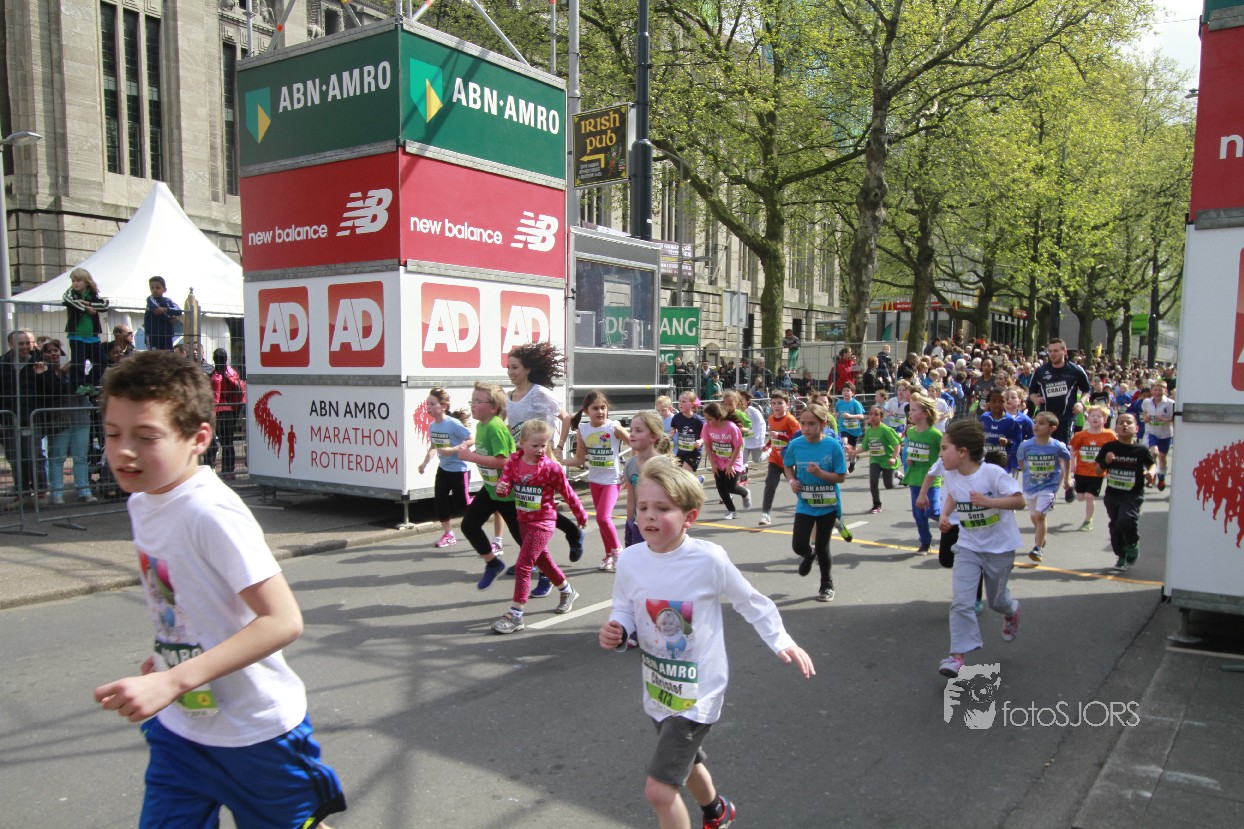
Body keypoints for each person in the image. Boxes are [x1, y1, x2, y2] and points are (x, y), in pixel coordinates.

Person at [92, 351, 345, 827]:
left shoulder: (211, 513)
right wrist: (169, 657)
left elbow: (282, 620)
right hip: (181, 732)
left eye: (146, 436)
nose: (123, 451)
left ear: (199, 438)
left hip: (257, 737)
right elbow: (187, 601)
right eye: (112, 433)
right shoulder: (144, 500)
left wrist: (173, 679)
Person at [598, 457, 815, 829]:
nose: (648, 516)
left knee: (659, 790)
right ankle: (716, 811)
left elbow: (750, 601)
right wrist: (617, 628)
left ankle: (712, 811)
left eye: (662, 508)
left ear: (690, 517)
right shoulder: (631, 559)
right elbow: (625, 606)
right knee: (687, 761)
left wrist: (781, 640)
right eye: (643, 507)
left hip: (698, 692)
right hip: (659, 685)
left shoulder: (708, 559)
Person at [936, 419, 1026, 679]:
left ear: (963, 452)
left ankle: (1012, 610)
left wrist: (988, 501)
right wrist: (945, 514)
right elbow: (953, 495)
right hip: (968, 546)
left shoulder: (992, 473)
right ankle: (957, 657)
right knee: (961, 602)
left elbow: (1019, 501)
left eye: (944, 448)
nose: (940, 454)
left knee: (997, 601)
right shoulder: (951, 474)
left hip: (1000, 548)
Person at [490, 420, 586, 633]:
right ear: (522, 443)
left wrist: (580, 513)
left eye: (544, 445)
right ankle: (567, 590)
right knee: (543, 561)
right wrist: (501, 488)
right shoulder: (514, 462)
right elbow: (504, 489)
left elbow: (567, 492)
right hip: (523, 520)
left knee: (524, 565)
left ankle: (516, 614)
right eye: (534, 445)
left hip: (543, 522)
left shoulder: (551, 468)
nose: (540, 450)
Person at [508, 343, 585, 563]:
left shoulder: (539, 393)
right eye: (508, 367)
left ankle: (536, 560)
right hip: (521, 461)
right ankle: (569, 534)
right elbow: (510, 428)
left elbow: (567, 418)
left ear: (527, 369)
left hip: (542, 459)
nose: (510, 372)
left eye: (515, 367)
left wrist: (559, 447)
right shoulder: (510, 396)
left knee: (538, 510)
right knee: (529, 509)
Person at [456, 383, 523, 589]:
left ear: (493, 408)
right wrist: (470, 449)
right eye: (472, 400)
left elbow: (504, 461)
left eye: (478, 401)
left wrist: (471, 457)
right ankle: (493, 563)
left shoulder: (495, 426)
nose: (473, 405)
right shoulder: (481, 426)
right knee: (469, 525)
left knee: (522, 538)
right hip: (491, 488)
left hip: (507, 491)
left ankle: (549, 576)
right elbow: (487, 451)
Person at [784, 402, 848, 601]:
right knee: (798, 545)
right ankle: (809, 554)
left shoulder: (832, 445)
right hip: (805, 503)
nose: (806, 428)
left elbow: (841, 476)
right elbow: (788, 466)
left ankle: (826, 584)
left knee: (822, 546)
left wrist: (821, 474)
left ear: (823, 424)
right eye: (802, 423)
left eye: (811, 424)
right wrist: (792, 481)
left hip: (828, 503)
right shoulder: (796, 444)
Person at [568, 390, 630, 572]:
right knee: (603, 522)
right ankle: (608, 554)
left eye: (603, 407)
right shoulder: (583, 430)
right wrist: (561, 461)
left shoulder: (613, 427)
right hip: (594, 480)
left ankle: (618, 552)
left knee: (603, 518)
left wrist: (630, 470)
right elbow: (579, 459)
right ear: (586, 411)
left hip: (612, 480)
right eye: (595, 408)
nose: (600, 411)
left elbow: (635, 443)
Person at [1096, 412, 1156, 571]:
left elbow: (1152, 464)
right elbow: (1097, 470)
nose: (1124, 425)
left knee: (1126, 520)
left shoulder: (1141, 450)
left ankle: (1132, 544)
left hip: (1133, 494)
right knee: (1115, 526)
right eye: (1121, 422)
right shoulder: (1109, 448)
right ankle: (1121, 556)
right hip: (1112, 495)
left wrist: (1151, 473)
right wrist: (1105, 462)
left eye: (1128, 422)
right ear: (1115, 428)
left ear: (1136, 428)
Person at [37, 339, 95, 505]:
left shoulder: (74, 369)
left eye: (56, 350)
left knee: (80, 457)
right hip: (59, 420)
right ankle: (56, 494)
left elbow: (87, 385)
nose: (53, 354)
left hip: (80, 418)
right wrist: (58, 374)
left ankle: (84, 491)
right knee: (57, 457)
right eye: (49, 351)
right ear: (43, 355)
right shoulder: (43, 371)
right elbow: (50, 392)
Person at [417, 388, 474, 548]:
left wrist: (453, 450)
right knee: (440, 502)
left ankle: (487, 502)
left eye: (432, 404)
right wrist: (424, 463)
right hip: (443, 469)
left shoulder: (453, 424)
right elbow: (434, 447)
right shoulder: (432, 426)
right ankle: (449, 534)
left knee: (461, 505)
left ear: (443, 406)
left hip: (459, 470)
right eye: (427, 404)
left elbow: (471, 440)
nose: (428, 407)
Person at [1015, 412, 1072, 563]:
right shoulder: (1025, 445)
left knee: (1040, 515)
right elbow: (1020, 460)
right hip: (1030, 487)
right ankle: (1041, 535)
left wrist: (1067, 477)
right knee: (1034, 516)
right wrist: (1027, 472)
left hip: (1048, 487)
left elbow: (1067, 459)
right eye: (1035, 422)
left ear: (1052, 428)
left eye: (1041, 423)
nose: (1036, 426)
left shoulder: (1057, 446)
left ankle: (1037, 548)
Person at [0, 329, 48, 498]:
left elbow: (49, 391)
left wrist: (42, 375)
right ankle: (21, 493)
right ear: (11, 345)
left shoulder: (39, 362)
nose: (25, 347)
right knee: (15, 459)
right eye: (21, 344)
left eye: (28, 343)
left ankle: (40, 493)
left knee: (34, 457)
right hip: (9, 420)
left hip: (31, 419)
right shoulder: (2, 363)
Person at [1029, 337, 1090, 444]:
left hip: (1066, 418)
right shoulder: (1040, 371)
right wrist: (1035, 399)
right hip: (1046, 417)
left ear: (1064, 351)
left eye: (1056, 351)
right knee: (1044, 447)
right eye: (1050, 351)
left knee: (1062, 448)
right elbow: (1032, 392)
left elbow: (1087, 390)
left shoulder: (1075, 370)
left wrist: (1081, 403)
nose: (1052, 354)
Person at [623, 411, 671, 548]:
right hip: (639, 525)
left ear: (653, 437)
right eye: (631, 430)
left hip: (660, 525)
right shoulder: (630, 464)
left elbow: (672, 500)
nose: (632, 434)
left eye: (638, 430)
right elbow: (631, 500)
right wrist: (629, 523)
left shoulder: (663, 464)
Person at [903, 395, 942, 555]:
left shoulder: (935, 435)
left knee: (932, 511)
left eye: (913, 410)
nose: (910, 413)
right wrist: (910, 458)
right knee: (918, 514)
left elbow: (943, 454)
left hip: (931, 479)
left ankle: (952, 521)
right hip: (914, 478)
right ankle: (925, 542)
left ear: (925, 413)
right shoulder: (911, 432)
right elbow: (911, 451)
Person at [1068, 405, 1116, 532]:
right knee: (1080, 498)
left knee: (1090, 496)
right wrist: (1072, 464)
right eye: (1093, 415)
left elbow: (1116, 448)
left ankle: (1088, 521)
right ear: (1088, 418)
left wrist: (1112, 465)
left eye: (1099, 416)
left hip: (1097, 472)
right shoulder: (1080, 435)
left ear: (1105, 420)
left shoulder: (1109, 435)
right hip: (1081, 471)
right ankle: (1073, 486)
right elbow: (1072, 449)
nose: (1095, 418)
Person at [62, 267, 110, 387]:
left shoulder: (93, 295)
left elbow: (104, 305)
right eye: (73, 281)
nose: (75, 283)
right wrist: (85, 308)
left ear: (87, 282)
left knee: (102, 360)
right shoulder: (70, 293)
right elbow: (67, 299)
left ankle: (90, 383)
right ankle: (78, 387)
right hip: (76, 336)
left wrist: (89, 303)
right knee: (78, 364)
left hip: (92, 336)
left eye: (78, 281)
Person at [703, 401, 749, 520]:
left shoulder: (731, 427)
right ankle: (731, 510)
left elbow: (738, 446)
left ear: (719, 418)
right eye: (705, 418)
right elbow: (707, 445)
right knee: (721, 487)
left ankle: (745, 493)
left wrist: (730, 464)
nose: (707, 421)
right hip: (718, 460)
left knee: (730, 487)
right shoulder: (707, 426)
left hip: (733, 460)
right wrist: (713, 463)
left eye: (710, 419)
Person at [760, 390, 800, 526]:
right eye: (773, 403)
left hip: (789, 459)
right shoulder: (771, 418)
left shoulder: (790, 420)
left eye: (780, 403)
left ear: (787, 405)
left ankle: (807, 508)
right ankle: (765, 514)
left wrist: (780, 436)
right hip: (775, 458)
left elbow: (797, 438)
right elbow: (774, 436)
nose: (776, 406)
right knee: (770, 484)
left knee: (797, 485)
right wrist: (767, 445)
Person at [206, 349, 246, 480]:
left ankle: (224, 471)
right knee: (229, 442)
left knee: (223, 443)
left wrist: (211, 414)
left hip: (220, 412)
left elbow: (216, 399)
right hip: (232, 410)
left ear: (214, 359)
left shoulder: (217, 377)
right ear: (226, 358)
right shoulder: (232, 372)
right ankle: (229, 470)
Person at [863, 406, 901, 513]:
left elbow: (897, 444)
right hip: (875, 460)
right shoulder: (869, 431)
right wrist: (854, 452)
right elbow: (865, 446)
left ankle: (899, 477)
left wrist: (893, 457)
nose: (873, 417)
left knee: (888, 485)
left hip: (887, 460)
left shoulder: (885, 430)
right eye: (871, 414)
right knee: (873, 481)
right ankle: (876, 504)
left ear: (881, 417)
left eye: (876, 415)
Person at [1140, 381, 1174, 491]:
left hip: (1166, 434)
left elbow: (1174, 418)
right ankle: (1153, 475)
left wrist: (1165, 419)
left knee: (1162, 458)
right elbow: (1144, 411)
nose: (1157, 392)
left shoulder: (1170, 403)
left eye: (1160, 390)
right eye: (1155, 390)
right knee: (1154, 453)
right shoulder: (1146, 402)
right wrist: (1145, 417)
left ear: (1165, 390)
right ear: (1151, 391)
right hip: (1152, 432)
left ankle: (1161, 478)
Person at [669, 390, 706, 475]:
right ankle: (698, 480)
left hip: (694, 452)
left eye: (684, 401)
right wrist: (672, 433)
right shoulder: (676, 418)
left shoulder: (698, 420)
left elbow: (706, 434)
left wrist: (701, 441)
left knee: (683, 473)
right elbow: (674, 428)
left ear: (692, 404)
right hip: (682, 451)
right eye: (679, 401)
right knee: (677, 474)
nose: (680, 404)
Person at [143, 276, 183, 351]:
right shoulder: (150, 299)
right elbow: (156, 310)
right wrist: (169, 318)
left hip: (166, 335)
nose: (155, 290)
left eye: (158, 288)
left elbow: (178, 311)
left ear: (164, 290)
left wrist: (165, 309)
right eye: (152, 288)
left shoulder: (168, 301)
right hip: (152, 335)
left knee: (167, 355)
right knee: (154, 355)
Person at [834, 382, 866, 473]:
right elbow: (837, 413)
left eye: (848, 391)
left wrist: (850, 416)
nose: (845, 392)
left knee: (852, 450)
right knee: (844, 444)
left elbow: (861, 416)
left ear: (852, 393)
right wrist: (836, 416)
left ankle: (852, 463)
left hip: (854, 430)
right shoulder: (839, 403)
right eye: (844, 391)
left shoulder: (855, 403)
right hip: (843, 428)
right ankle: (842, 466)